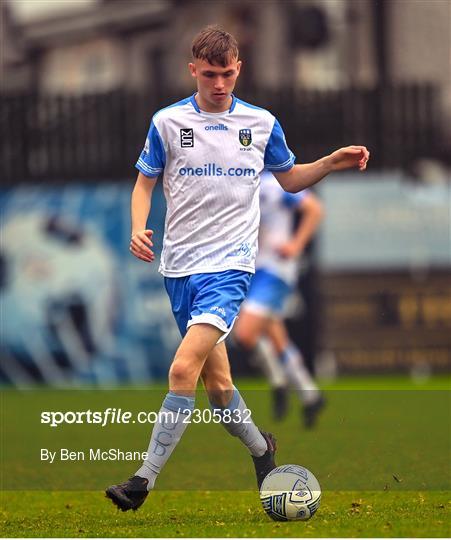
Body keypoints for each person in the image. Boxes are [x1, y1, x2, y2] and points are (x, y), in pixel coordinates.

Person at [106, 25, 369, 512]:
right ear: (193, 71)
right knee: (219, 388)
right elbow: (144, 184)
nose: (220, 83)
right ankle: (262, 450)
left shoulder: (262, 123)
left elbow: (290, 180)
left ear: (238, 69)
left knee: (182, 368)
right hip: (179, 267)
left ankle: (141, 482)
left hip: (229, 268)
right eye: (210, 74)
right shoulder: (166, 123)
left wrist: (329, 162)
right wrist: (138, 226)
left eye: (227, 73)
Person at [233, 170, 325, 428]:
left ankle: (278, 382)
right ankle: (311, 396)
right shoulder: (238, 181)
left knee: (245, 334)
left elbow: (314, 209)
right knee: (276, 337)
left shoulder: (272, 183)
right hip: (253, 269)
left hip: (274, 270)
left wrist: (296, 245)